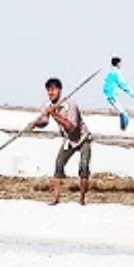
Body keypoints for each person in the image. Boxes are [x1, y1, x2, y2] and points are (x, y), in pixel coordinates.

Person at [34, 77, 92, 205]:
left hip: (83, 138)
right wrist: (35, 124)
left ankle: (82, 199)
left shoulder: (70, 103)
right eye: (48, 90)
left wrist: (55, 115)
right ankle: (55, 199)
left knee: (83, 167)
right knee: (58, 164)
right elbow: (45, 121)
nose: (50, 93)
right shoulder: (48, 105)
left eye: (53, 90)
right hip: (68, 140)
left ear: (59, 90)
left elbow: (71, 127)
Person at [103, 56, 134, 131]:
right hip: (112, 96)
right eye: (120, 63)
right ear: (117, 64)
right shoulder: (115, 73)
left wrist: (132, 93)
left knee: (123, 113)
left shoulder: (111, 72)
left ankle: (122, 129)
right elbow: (123, 84)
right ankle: (123, 130)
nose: (121, 65)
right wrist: (132, 94)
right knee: (124, 114)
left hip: (111, 95)